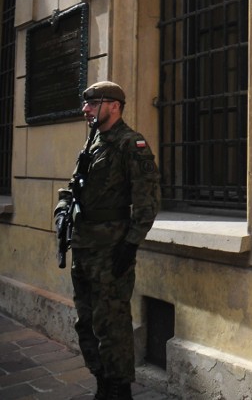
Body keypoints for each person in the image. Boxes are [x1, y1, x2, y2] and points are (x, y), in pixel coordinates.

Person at [53, 81, 161, 400]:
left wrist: (130, 244)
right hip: (84, 247)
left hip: (111, 249)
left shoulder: (131, 144)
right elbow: (72, 187)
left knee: (112, 323)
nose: (85, 109)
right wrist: (62, 212)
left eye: (92, 103)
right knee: (86, 321)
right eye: (85, 103)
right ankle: (102, 382)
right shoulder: (92, 143)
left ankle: (119, 388)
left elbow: (148, 201)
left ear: (113, 106)